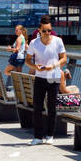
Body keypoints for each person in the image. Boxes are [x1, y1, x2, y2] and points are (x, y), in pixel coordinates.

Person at [25, 16, 66, 144]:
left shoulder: (58, 41)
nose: (47, 33)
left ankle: (50, 135)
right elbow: (27, 60)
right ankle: (37, 137)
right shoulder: (34, 43)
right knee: (37, 107)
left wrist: (53, 66)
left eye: (49, 30)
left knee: (51, 107)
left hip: (54, 78)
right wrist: (34, 66)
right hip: (40, 77)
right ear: (39, 30)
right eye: (45, 31)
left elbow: (64, 58)